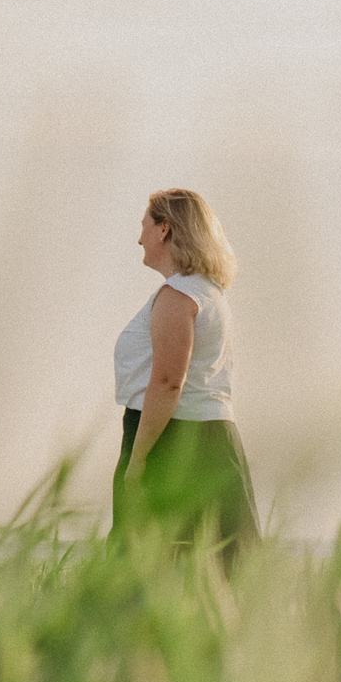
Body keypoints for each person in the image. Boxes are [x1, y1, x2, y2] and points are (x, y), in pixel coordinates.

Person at [110, 188, 256, 553]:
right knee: (219, 565)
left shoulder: (178, 296)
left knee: (145, 569)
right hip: (214, 439)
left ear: (164, 230)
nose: (139, 238)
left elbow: (167, 383)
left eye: (144, 226)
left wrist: (139, 458)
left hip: (173, 440)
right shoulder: (209, 292)